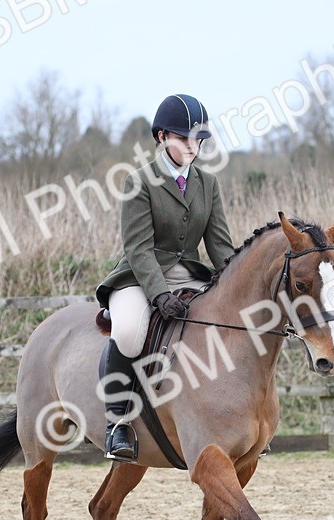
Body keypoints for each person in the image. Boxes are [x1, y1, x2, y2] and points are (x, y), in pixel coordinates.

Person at [94, 93, 236, 462]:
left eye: (199, 140)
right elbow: (139, 249)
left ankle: (236, 419)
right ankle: (119, 423)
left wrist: (235, 284)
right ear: (162, 138)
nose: (193, 147)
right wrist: (158, 295)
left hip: (190, 274)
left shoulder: (208, 184)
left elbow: (220, 245)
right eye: (184, 138)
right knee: (127, 333)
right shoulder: (139, 182)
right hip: (140, 277)